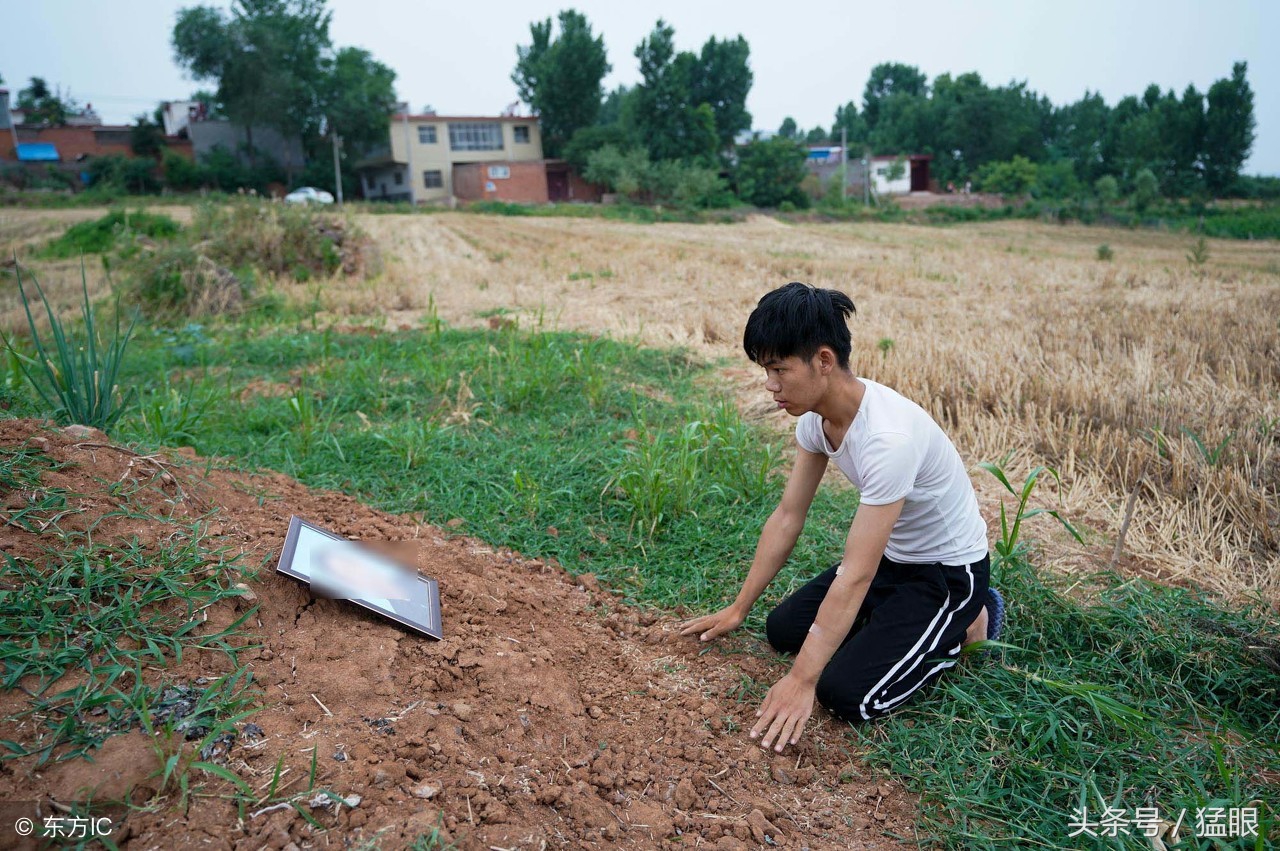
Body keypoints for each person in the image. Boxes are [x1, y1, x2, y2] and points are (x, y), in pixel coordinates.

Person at [679, 282, 1003, 753]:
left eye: (778, 370)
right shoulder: (815, 419)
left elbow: (856, 573)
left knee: (847, 695)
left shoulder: (888, 439)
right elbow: (789, 516)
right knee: (781, 630)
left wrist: (800, 680)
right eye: (766, 369)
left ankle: (971, 619)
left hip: (946, 574)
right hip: (895, 560)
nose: (770, 385)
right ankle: (893, 623)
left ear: (823, 361)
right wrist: (738, 608)